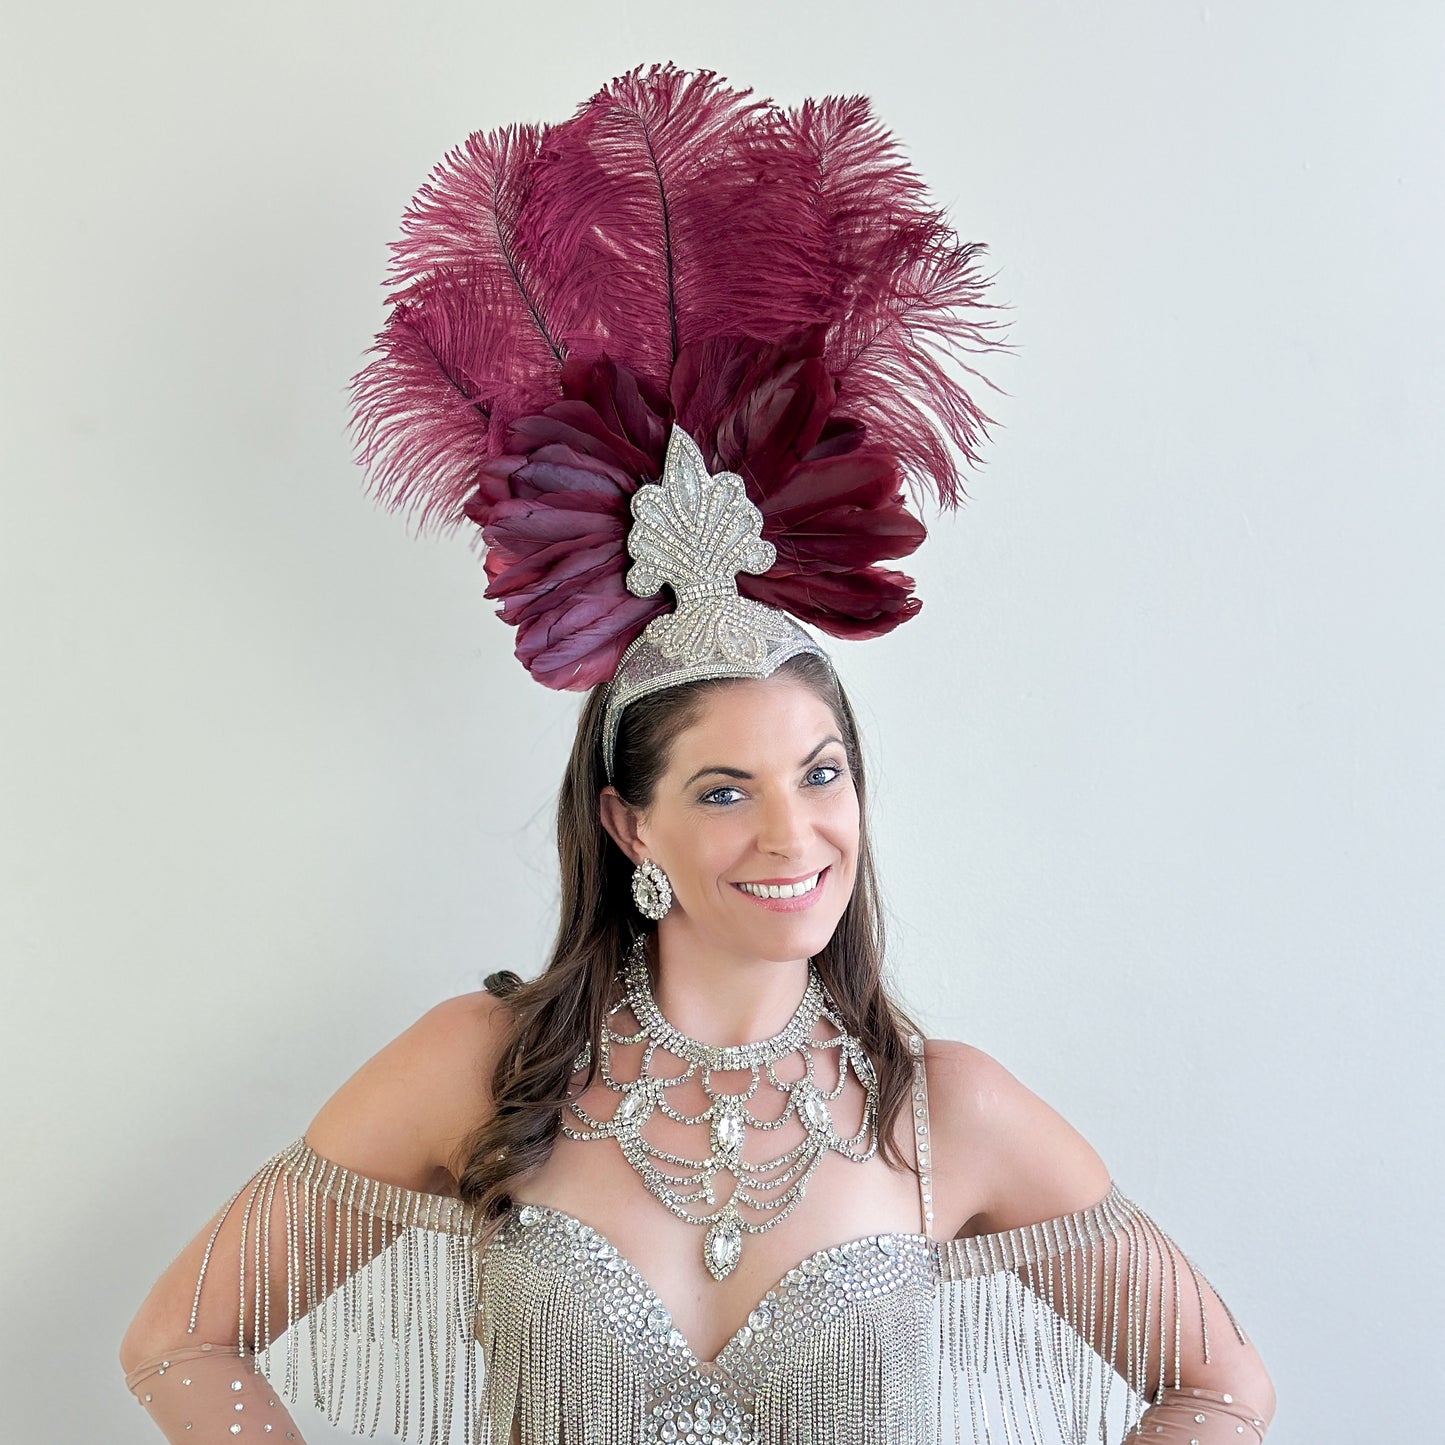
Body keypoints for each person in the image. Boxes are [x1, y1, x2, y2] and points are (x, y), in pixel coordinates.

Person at [119, 64, 1275, 1444]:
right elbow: (180, 1341)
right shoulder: (482, 1069)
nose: (794, 833)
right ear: (629, 825)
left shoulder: (943, 1112)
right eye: (726, 790)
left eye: (821, 773)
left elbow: (1220, 1387)